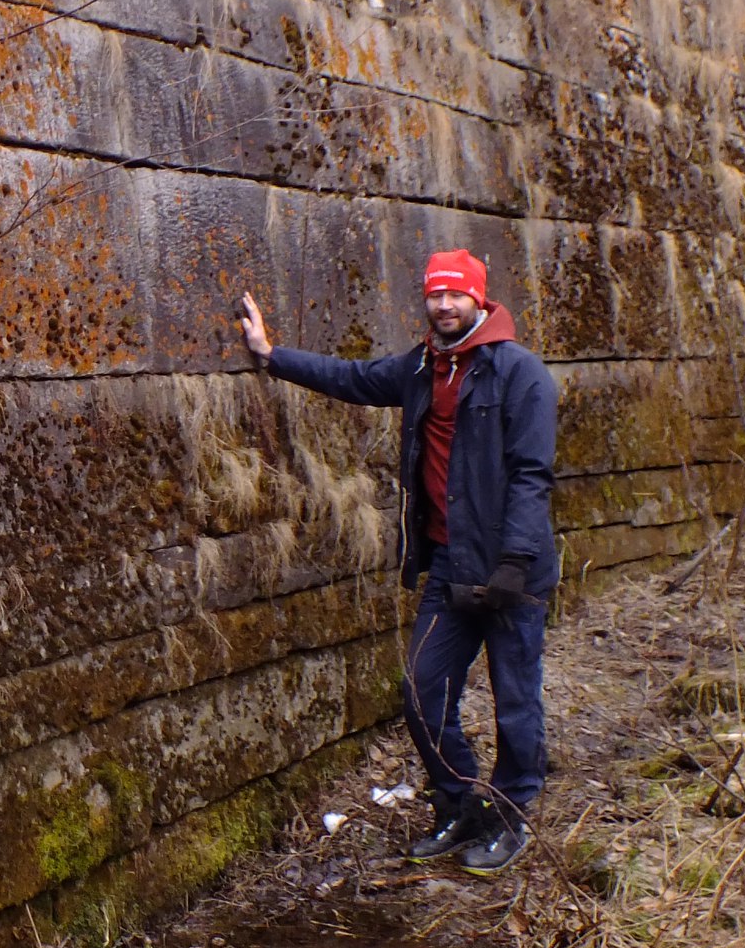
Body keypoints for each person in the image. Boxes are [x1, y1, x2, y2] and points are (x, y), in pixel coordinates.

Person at [237, 251, 558, 874]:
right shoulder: (420, 368)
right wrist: (271, 355)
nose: (443, 306)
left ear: (479, 300)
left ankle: (513, 815)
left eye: (455, 296)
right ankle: (462, 802)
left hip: (511, 575)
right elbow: (352, 378)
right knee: (422, 690)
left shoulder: (520, 374)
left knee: (515, 701)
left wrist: (515, 561)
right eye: (435, 295)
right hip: (450, 568)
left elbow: (531, 476)